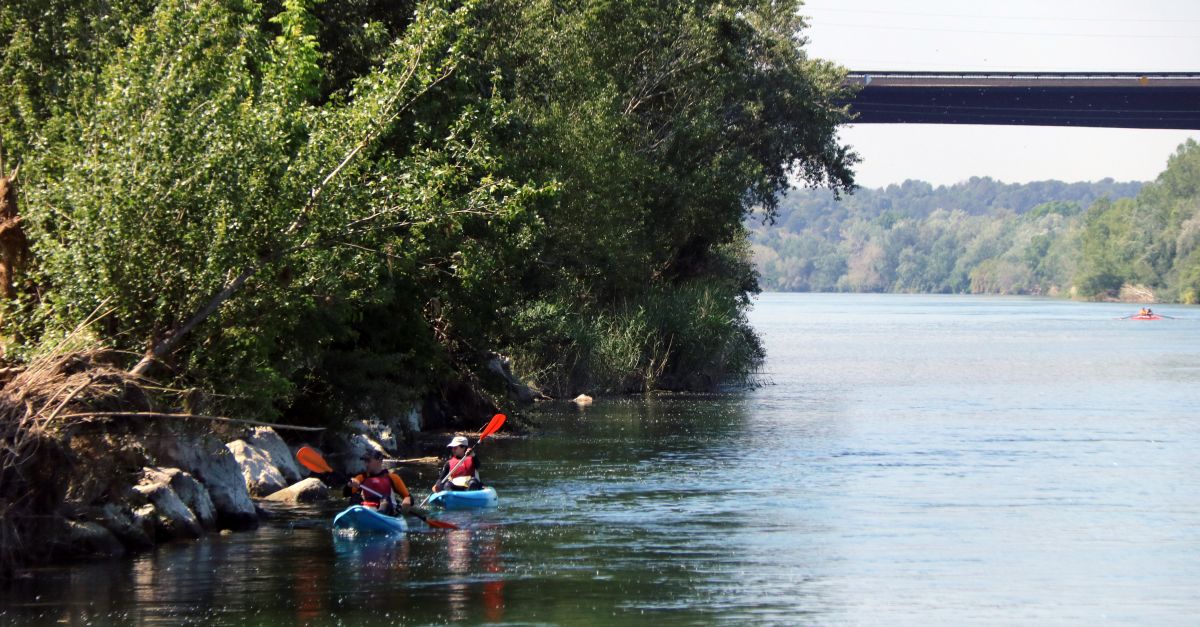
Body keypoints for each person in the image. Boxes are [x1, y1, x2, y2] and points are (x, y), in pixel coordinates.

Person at [344, 449, 412, 515]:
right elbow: (346, 494)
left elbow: (408, 497)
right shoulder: (360, 478)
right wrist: (349, 485)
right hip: (366, 510)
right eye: (365, 461)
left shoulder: (392, 478)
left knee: (386, 499)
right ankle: (353, 515)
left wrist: (407, 500)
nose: (366, 464)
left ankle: (380, 514)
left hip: (387, 512)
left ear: (379, 461)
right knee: (355, 497)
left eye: (368, 461)